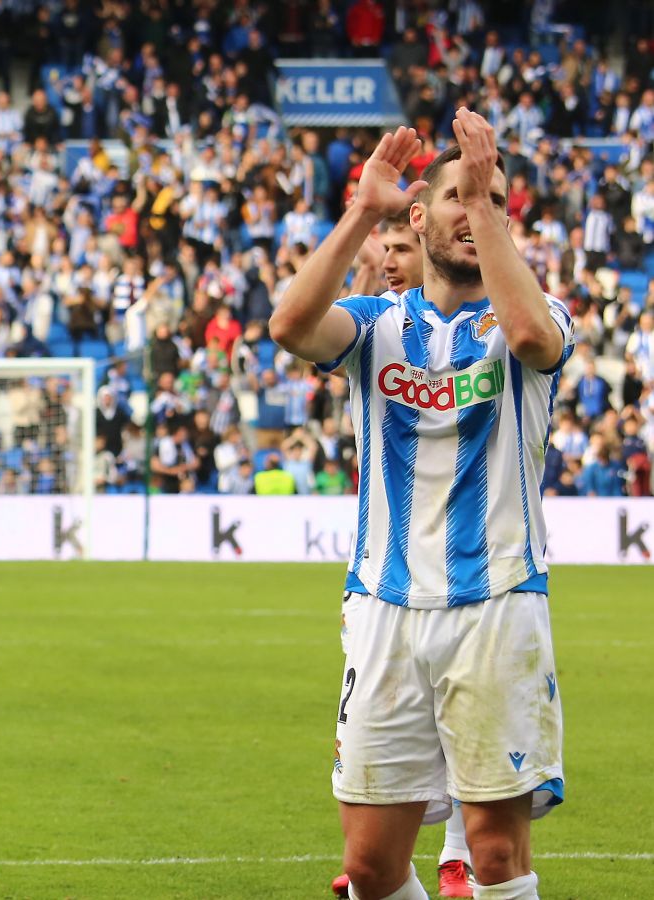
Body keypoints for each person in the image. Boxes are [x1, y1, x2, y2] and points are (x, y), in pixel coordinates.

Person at [269, 115, 568, 900]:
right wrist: (360, 211)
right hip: (384, 609)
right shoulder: (376, 327)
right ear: (417, 216)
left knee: (496, 854)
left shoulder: (534, 320)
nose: (474, 209)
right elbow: (291, 325)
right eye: (459, 197)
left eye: (493, 199)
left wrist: (484, 205)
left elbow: (534, 334)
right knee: (370, 866)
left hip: (497, 605)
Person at [334, 207, 480, 900]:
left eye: (400, 246)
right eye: (382, 247)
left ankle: (457, 855)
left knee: (464, 734)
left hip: (475, 587)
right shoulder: (377, 329)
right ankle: (388, 856)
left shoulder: (487, 331)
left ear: (430, 244)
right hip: (380, 579)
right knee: (375, 755)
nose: (390, 258)